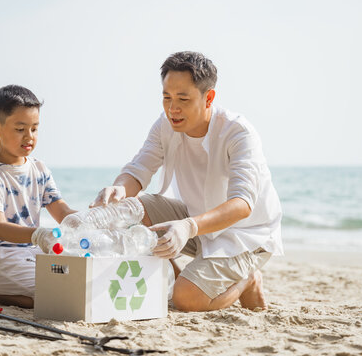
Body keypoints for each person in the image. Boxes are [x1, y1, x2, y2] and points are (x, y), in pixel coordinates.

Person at [91, 51, 283, 312]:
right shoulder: (165, 125)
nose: (173, 109)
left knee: (185, 299)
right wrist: (119, 189)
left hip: (246, 234)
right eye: (166, 98)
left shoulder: (238, 132)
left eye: (183, 98)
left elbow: (242, 204)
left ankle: (248, 279)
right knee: (132, 208)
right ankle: (178, 277)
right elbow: (139, 169)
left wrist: (188, 227)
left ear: (209, 98)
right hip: (194, 221)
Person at [0, 85, 76, 308]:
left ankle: (3, 291)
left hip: (31, 254)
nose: (29, 137)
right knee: (53, 295)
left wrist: (90, 220)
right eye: (20, 129)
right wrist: (38, 235)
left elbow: (61, 211)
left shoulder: (39, 168)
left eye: (35, 129)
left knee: (72, 278)